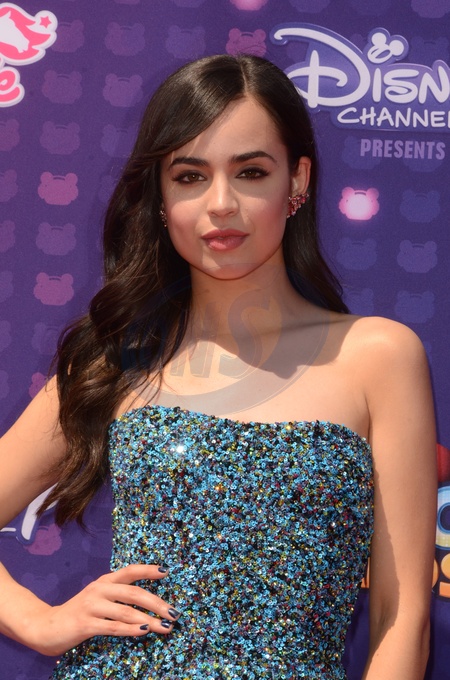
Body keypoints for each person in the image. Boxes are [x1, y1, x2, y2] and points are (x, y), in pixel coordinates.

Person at [0, 54, 436, 680]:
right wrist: (39, 623)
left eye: (251, 172)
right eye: (190, 176)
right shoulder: (117, 361)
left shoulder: (378, 356)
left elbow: (402, 616)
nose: (221, 204)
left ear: (297, 181)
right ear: (160, 196)